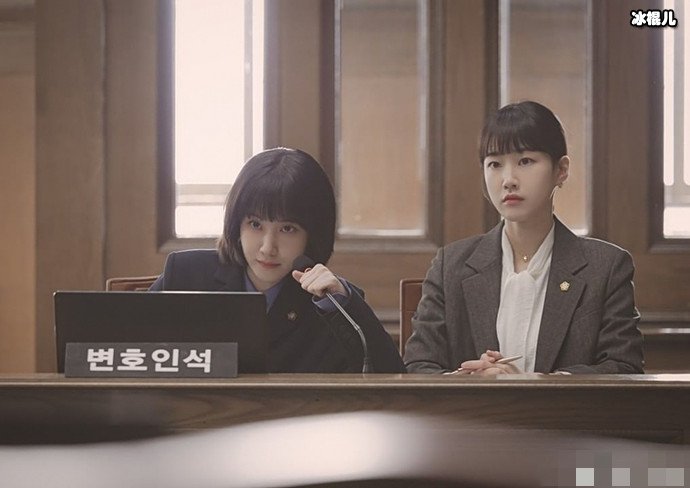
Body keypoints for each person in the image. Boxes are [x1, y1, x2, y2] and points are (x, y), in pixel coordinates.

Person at [404, 101, 644, 374]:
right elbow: (418, 367)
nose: (508, 180)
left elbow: (624, 367)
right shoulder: (450, 265)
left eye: (525, 161)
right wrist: (471, 381)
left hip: (564, 406)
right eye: (495, 164)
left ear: (561, 170)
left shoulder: (606, 267)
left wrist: (534, 384)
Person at [151, 147, 405, 373]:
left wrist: (344, 304)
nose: (267, 248)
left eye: (287, 229)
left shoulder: (331, 302)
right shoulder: (185, 276)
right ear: (236, 225)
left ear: (313, 234)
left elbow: (392, 382)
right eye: (255, 224)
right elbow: (129, 352)